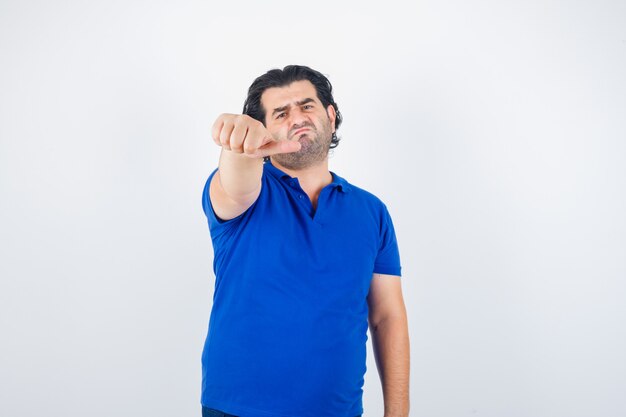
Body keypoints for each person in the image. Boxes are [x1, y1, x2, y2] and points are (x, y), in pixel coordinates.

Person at [200, 65, 410, 417]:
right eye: (280, 113)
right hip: (237, 410)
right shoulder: (246, 192)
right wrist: (239, 145)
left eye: (306, 106)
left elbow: (388, 316)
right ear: (264, 131)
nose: (296, 117)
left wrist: (398, 413)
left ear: (330, 115)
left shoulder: (371, 212)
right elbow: (235, 182)